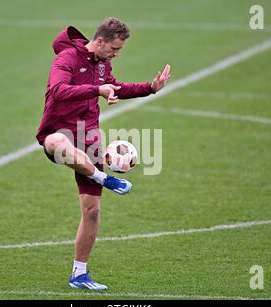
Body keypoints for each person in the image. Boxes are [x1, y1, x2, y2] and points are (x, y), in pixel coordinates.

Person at [36, 17, 171, 290]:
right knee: (59, 146)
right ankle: (104, 178)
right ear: (99, 41)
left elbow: (115, 87)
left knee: (92, 211)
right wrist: (97, 89)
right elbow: (59, 91)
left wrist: (150, 88)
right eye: (114, 49)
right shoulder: (67, 58)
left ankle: (79, 275)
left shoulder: (103, 64)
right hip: (58, 132)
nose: (116, 55)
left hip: (89, 136)